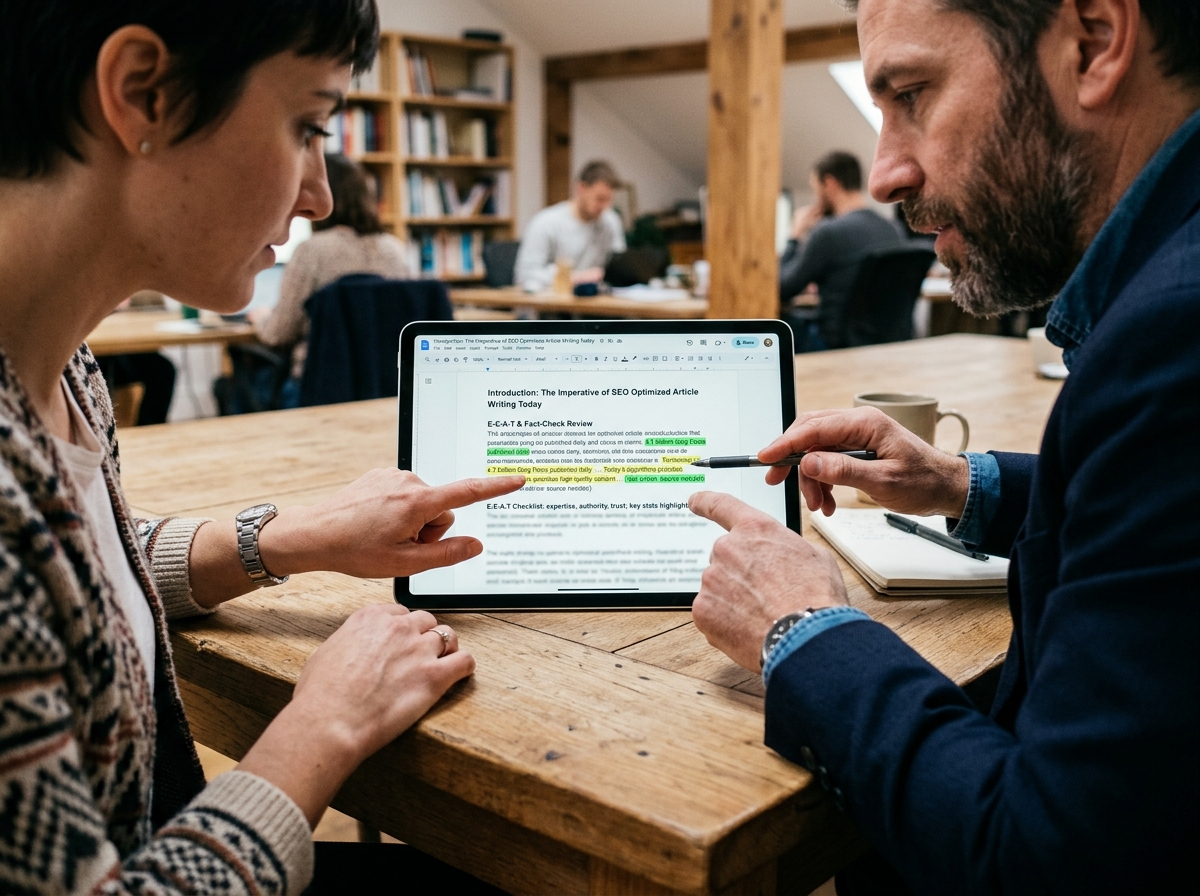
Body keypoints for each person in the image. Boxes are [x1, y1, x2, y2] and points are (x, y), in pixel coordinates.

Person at [0, 2, 525, 893]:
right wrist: (319, 726)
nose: (319, 192)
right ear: (144, 93)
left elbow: (74, 575)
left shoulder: (61, 366)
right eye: (308, 123)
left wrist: (281, 537)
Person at [688, 0, 1199, 893]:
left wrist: (802, 627)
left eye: (912, 93)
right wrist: (963, 484)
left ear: (1093, 40)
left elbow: (1041, 859)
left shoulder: (1174, 338)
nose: (886, 171)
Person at [250, 152, 408, 408]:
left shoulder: (312, 251)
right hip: (383, 386)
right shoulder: (395, 250)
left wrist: (260, 317)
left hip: (319, 387)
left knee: (231, 384)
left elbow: (278, 333)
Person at [778, 150, 902, 349]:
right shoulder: (893, 229)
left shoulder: (828, 232)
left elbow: (782, 289)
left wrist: (794, 236)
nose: (815, 197)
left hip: (832, 343)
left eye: (815, 189)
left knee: (778, 325)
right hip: (883, 343)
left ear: (830, 183)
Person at [513, 159, 626, 291]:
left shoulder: (610, 221)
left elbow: (620, 267)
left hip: (595, 304)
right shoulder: (546, 222)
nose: (605, 207)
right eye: (600, 199)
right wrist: (575, 277)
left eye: (609, 200)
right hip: (553, 305)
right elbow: (525, 276)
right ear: (581, 189)